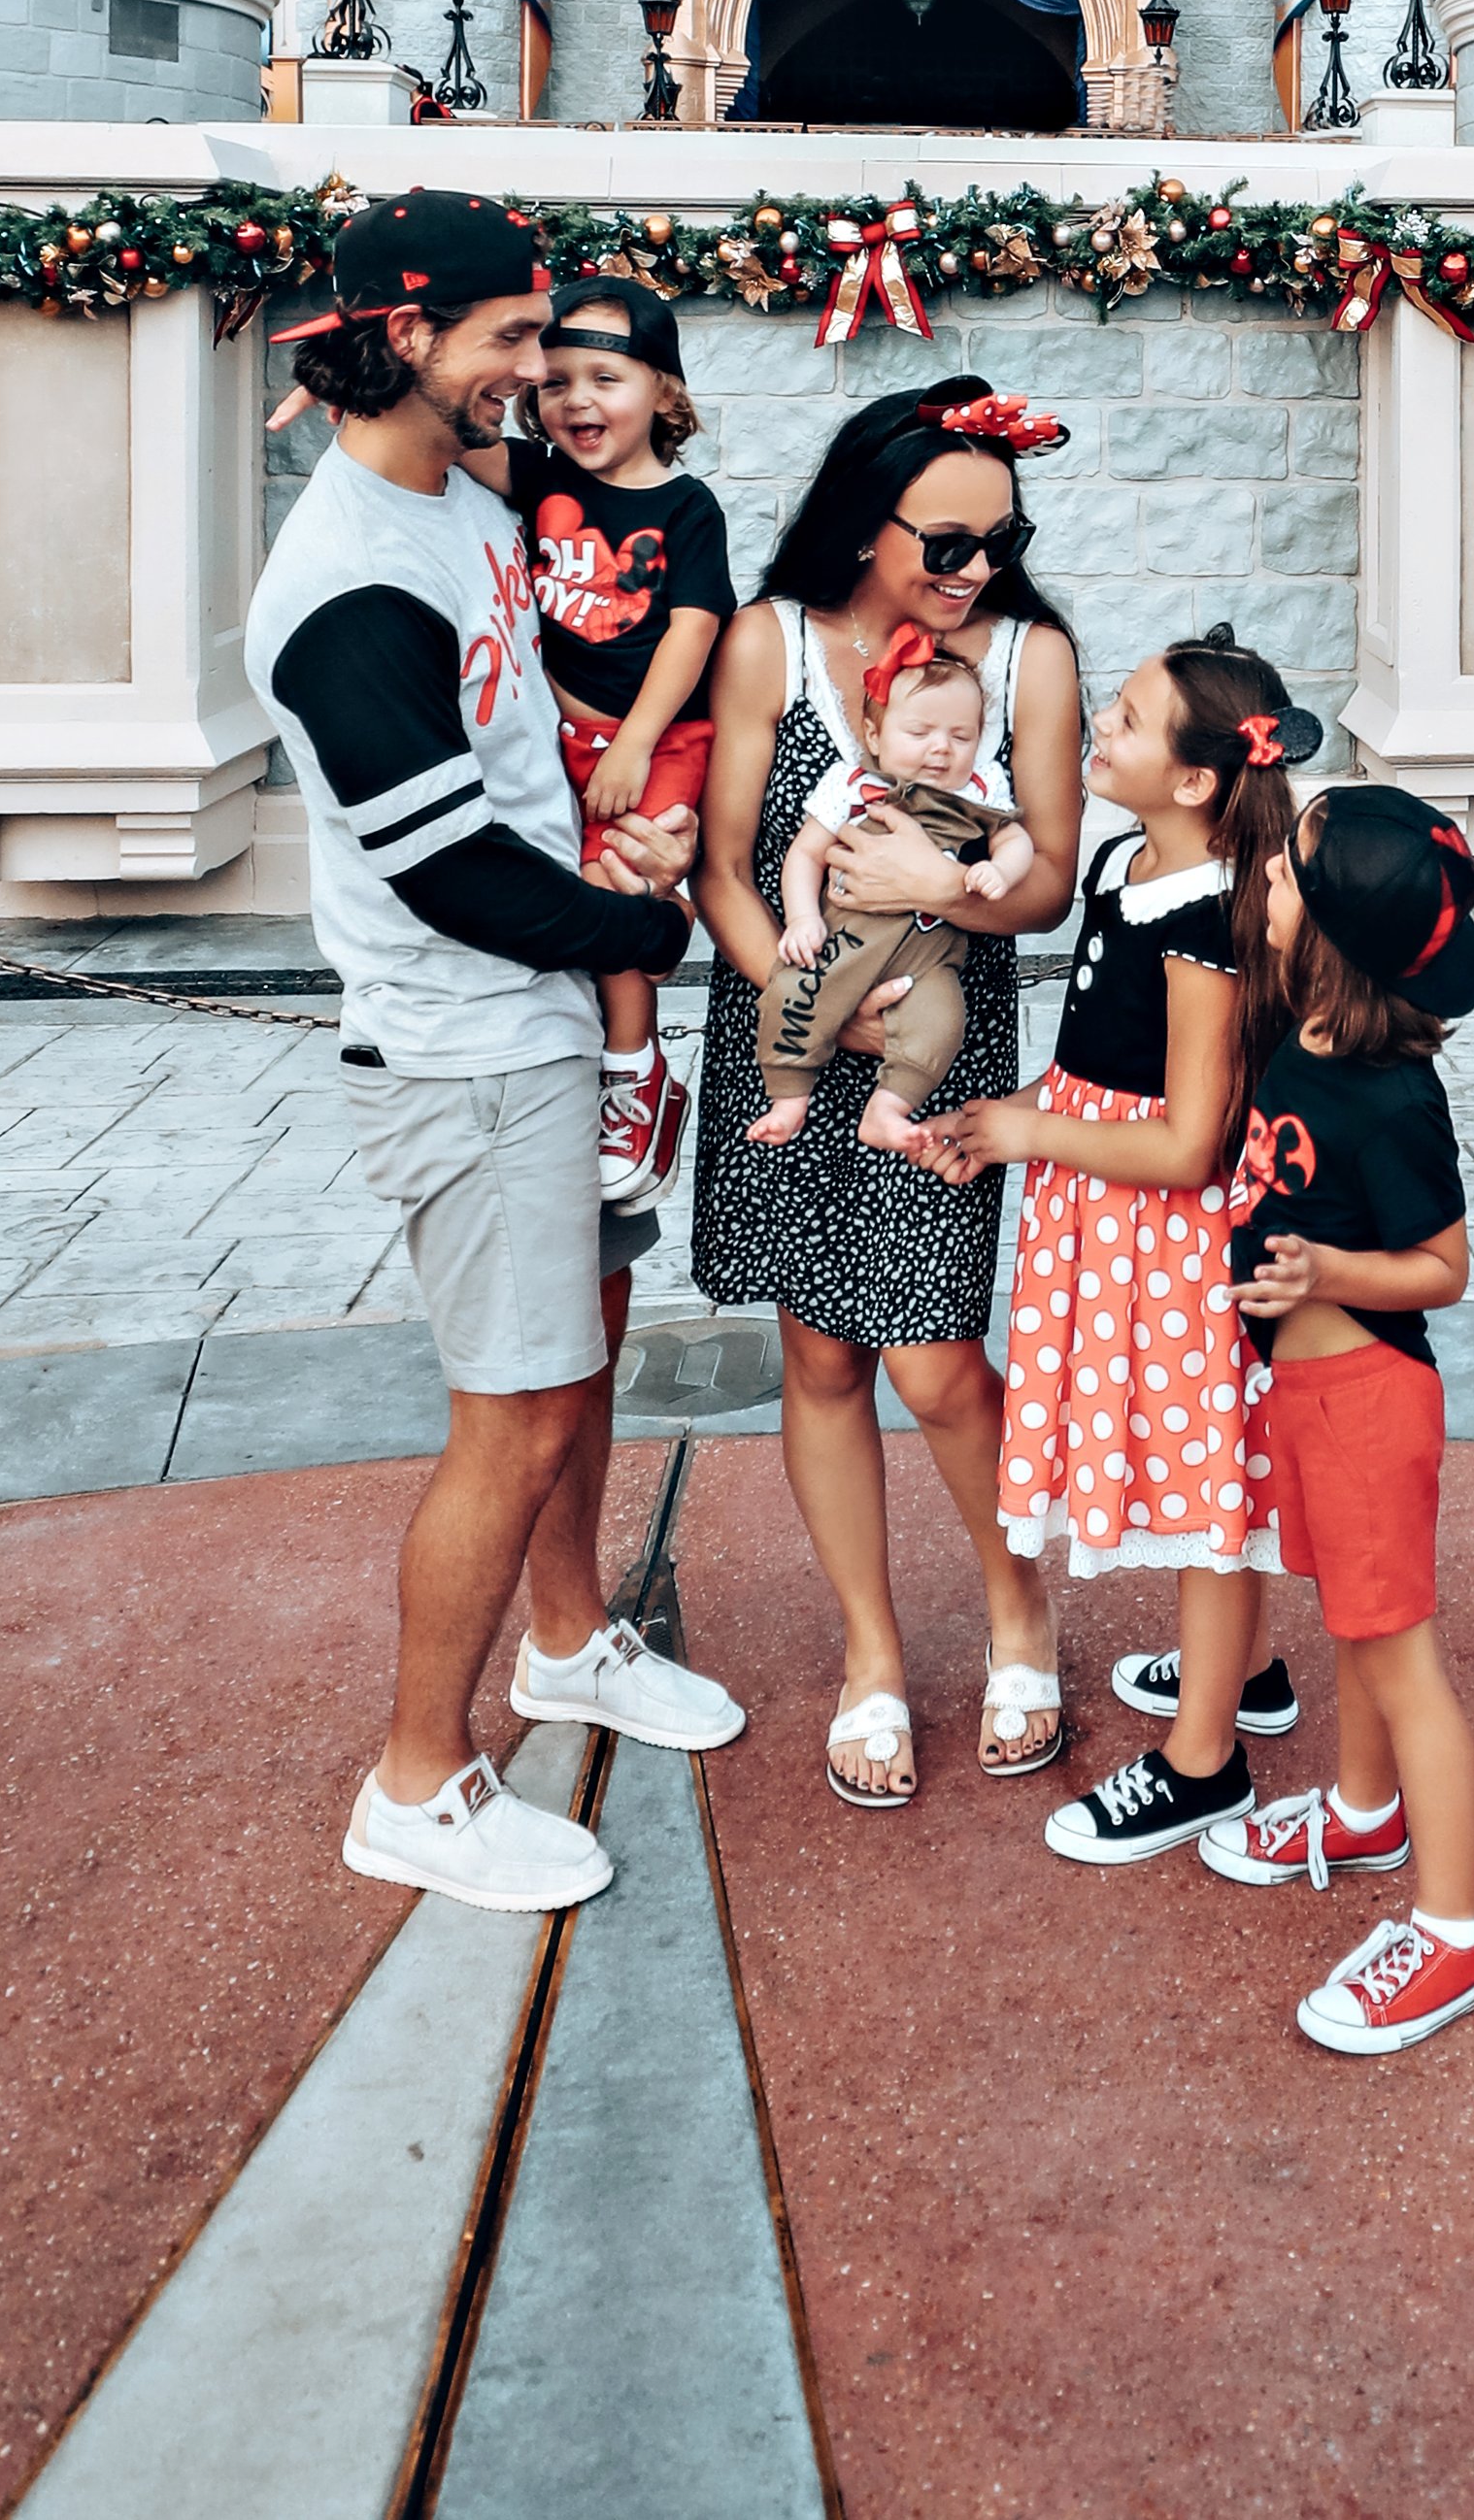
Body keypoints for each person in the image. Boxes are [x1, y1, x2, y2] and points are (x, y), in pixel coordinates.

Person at [248, 190, 745, 1924]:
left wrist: (623, 870)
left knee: (578, 1360)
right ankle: (414, 1782)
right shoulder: (342, 590)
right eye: (509, 342)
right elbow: (445, 867)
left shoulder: (456, 497)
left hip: (544, 1025)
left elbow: (539, 750)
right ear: (400, 337)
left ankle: (564, 1643)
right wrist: (636, 934)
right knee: (513, 1411)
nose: (538, 374)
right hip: (471, 1052)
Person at [691, 381, 1084, 1807]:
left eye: (1000, 538)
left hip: (942, 1037)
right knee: (821, 1358)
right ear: (867, 523)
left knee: (932, 1353)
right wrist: (811, 1004)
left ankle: (1018, 1606)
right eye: (950, 539)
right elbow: (724, 864)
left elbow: (1039, 882)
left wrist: (946, 898)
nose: (977, 567)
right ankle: (872, 1651)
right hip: (792, 1025)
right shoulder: (769, 642)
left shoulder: (1032, 657)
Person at [921, 633, 1321, 1854]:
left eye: (1131, 720)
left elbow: (1191, 1146)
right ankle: (1245, 1674)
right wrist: (1015, 1128)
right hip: (1103, 1213)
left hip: (1173, 1236)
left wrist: (1030, 1128)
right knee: (1198, 1472)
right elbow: (1101, 1057)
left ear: (1196, 779)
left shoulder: (1210, 913)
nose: (1102, 723)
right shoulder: (1122, 859)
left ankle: (1205, 1763)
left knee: (1206, 1485)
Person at [1198, 783, 1474, 2054]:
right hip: (1310, 1398)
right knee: (1355, 1625)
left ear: (1324, 931)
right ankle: (1366, 1809)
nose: (1265, 875)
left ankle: (1455, 1929)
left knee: (1399, 1658)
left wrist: (1325, 1276)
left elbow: (1442, 1266)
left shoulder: (1392, 1098)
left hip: (1372, 1400)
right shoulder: (1302, 1040)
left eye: (1286, 868)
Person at [474, 278, 732, 1207]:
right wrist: (355, 384)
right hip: (557, 739)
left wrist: (631, 747)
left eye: (607, 377)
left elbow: (692, 631)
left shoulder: (686, 507)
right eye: (558, 381)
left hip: (657, 742)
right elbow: (443, 435)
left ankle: (637, 1074)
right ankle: (586, 1061)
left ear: (663, 392)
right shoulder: (541, 480)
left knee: (618, 890)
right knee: (558, 899)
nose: (578, 399)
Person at [751, 623, 1035, 1154]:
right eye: (920, 732)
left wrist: (1001, 871)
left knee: (943, 1019)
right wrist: (801, 919)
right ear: (875, 737)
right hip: (844, 943)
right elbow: (805, 854)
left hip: (929, 962)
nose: (941, 749)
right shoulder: (854, 788)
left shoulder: (979, 790)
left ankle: (890, 1107)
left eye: (961, 735)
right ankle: (789, 1095)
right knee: (794, 993)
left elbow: (1016, 840)